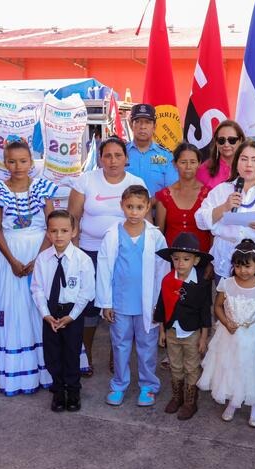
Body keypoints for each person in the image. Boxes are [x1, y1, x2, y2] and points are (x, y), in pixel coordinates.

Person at [0, 141, 56, 395]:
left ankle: (45, 366)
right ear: (5, 162)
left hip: (40, 252)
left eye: (23, 161)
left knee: (37, 307)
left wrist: (38, 260)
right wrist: (13, 261)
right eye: (12, 161)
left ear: (31, 162)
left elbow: (52, 226)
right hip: (7, 257)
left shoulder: (43, 188)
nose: (18, 166)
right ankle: (9, 368)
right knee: (8, 307)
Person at [68, 137, 146, 374]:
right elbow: (73, 219)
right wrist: (75, 256)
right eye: (107, 156)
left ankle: (117, 356)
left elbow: (145, 220)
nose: (113, 160)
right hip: (90, 252)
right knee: (89, 306)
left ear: (126, 158)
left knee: (120, 306)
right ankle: (85, 355)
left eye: (118, 155)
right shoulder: (85, 181)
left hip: (125, 253)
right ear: (99, 158)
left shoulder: (136, 182)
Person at [95, 185, 169, 407]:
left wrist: (160, 305)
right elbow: (104, 269)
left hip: (148, 304)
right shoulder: (112, 234)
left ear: (148, 207)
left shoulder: (155, 236)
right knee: (120, 345)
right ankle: (119, 384)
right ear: (122, 206)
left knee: (147, 347)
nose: (134, 212)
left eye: (139, 207)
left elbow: (162, 272)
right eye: (129, 207)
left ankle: (148, 386)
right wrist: (106, 302)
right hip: (121, 303)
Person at [197, 239, 255, 427]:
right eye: (238, 266)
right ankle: (234, 401)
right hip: (229, 335)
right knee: (231, 367)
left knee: (252, 369)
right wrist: (226, 322)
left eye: (248, 266)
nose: (243, 271)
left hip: (253, 335)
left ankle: (254, 405)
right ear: (232, 266)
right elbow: (217, 307)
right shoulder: (227, 284)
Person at [195, 139, 255, 293]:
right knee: (228, 310)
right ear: (236, 163)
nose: (249, 164)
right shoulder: (222, 190)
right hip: (227, 259)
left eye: (254, 160)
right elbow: (200, 220)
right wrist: (224, 207)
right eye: (244, 159)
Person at [31, 210, 96, 412]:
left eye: (64, 230)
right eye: (54, 231)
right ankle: (58, 390)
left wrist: (72, 316)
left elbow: (87, 292)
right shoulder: (42, 259)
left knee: (71, 352)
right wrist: (45, 314)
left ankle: (73, 391)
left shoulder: (82, 259)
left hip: (72, 312)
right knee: (52, 353)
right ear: (48, 233)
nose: (59, 235)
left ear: (74, 232)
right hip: (50, 311)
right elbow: (37, 288)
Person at [154, 233, 213, 420]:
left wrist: (204, 337)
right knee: (175, 365)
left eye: (186, 259)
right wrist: (162, 331)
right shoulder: (167, 281)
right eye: (176, 259)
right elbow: (162, 306)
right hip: (171, 330)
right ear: (171, 259)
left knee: (192, 366)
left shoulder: (201, 284)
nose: (180, 263)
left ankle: (190, 402)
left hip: (192, 332)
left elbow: (205, 311)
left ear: (195, 261)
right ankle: (177, 397)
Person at [155, 142, 212, 253]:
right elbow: (159, 235)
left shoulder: (208, 194)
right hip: (172, 260)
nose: (188, 167)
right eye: (183, 162)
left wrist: (211, 263)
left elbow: (213, 233)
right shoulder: (164, 196)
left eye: (193, 162)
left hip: (202, 260)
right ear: (175, 164)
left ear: (199, 164)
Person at [125, 103, 177, 197]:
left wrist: (150, 203)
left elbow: (171, 189)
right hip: (123, 210)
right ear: (131, 125)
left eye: (147, 122)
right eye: (138, 121)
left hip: (156, 210)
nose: (142, 126)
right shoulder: (121, 153)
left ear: (154, 127)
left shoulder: (167, 156)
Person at [196, 120, 245, 190]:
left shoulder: (250, 167)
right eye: (221, 140)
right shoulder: (203, 170)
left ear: (240, 140)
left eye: (232, 140)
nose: (226, 144)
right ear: (216, 142)